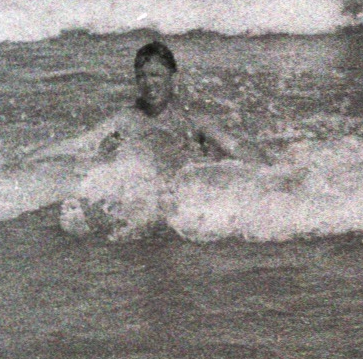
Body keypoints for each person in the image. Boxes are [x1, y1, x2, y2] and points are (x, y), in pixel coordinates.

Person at [29, 40, 267, 236]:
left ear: (172, 77)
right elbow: (81, 144)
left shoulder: (193, 119)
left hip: (185, 196)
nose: (148, 84)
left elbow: (237, 148)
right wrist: (31, 158)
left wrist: (274, 173)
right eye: (141, 76)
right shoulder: (127, 119)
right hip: (144, 195)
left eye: (155, 75)